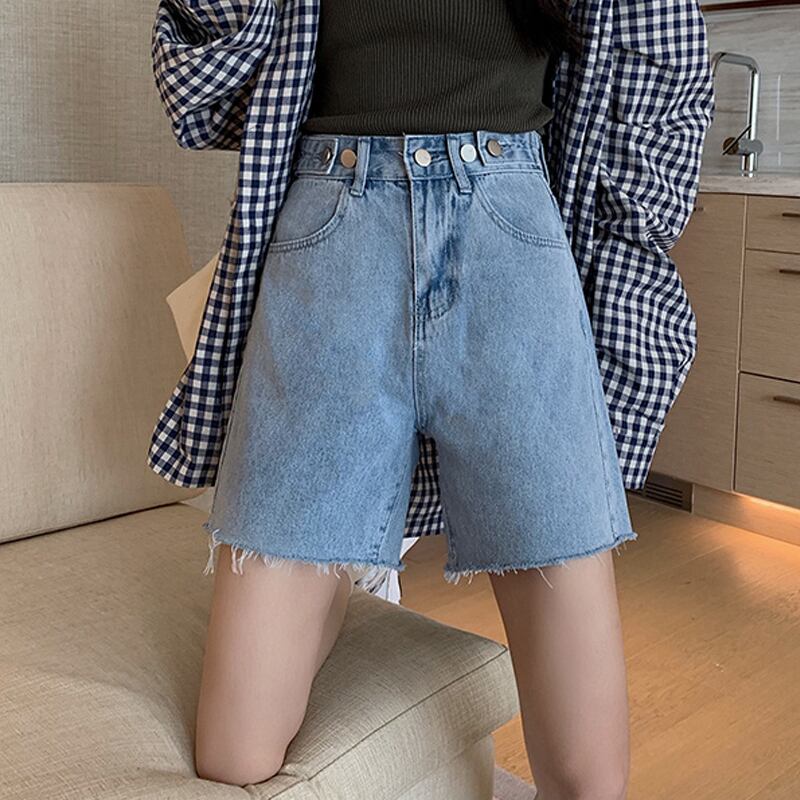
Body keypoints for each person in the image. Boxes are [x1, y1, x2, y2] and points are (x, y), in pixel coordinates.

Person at [148, 0, 714, 795]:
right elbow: (204, 88)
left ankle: (342, 560)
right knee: (234, 753)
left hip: (513, 255)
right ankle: (342, 562)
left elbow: (659, 92)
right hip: (331, 252)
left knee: (587, 775)